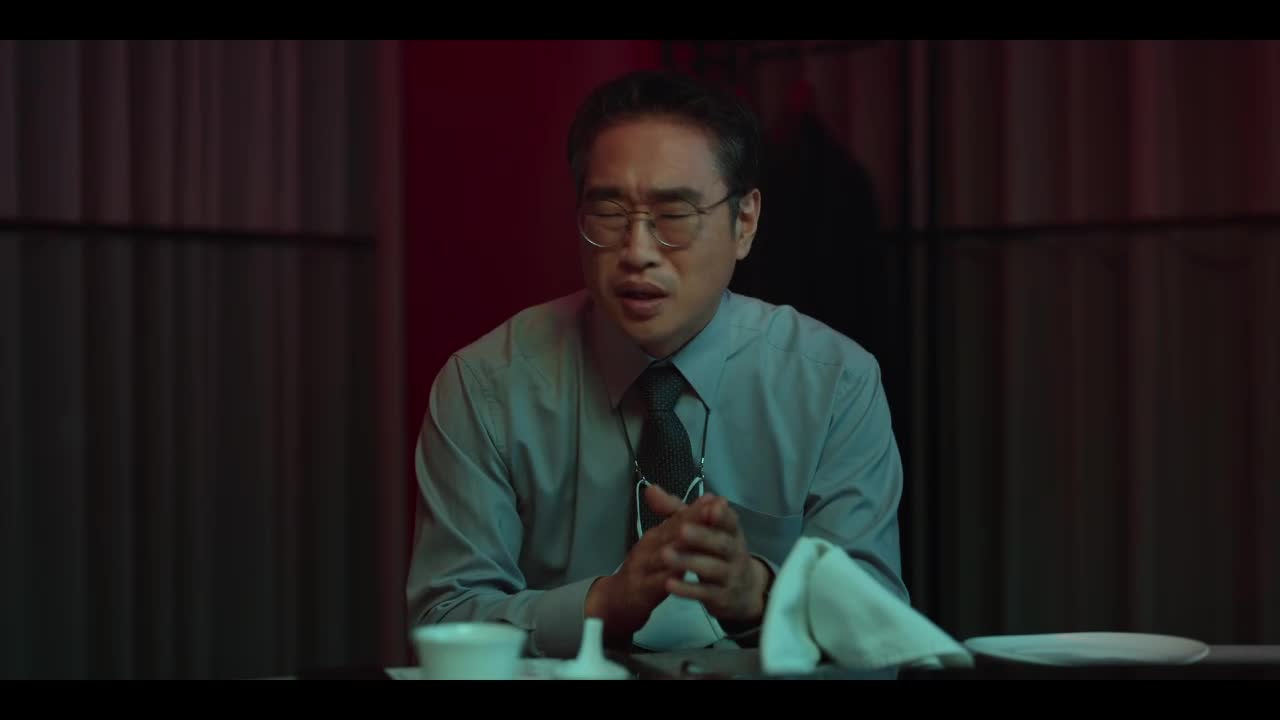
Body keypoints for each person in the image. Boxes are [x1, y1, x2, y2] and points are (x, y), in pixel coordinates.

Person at [406, 69, 907, 659]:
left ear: (744, 222)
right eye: (609, 213)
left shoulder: (833, 384)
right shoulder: (487, 386)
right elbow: (445, 616)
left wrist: (759, 594)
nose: (637, 252)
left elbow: (877, 625)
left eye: (674, 215)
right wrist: (603, 605)